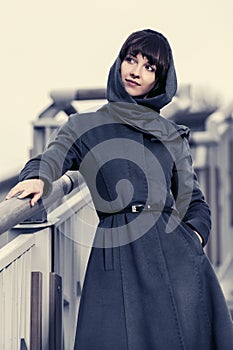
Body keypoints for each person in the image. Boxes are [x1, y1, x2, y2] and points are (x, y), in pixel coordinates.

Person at [6, 29, 233, 349]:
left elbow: (194, 200)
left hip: (176, 253)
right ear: (119, 63)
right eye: (131, 59)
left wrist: (193, 238)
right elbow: (52, 157)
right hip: (118, 250)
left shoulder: (171, 133)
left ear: (161, 79)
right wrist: (37, 178)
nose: (136, 71)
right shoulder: (84, 125)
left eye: (149, 67)